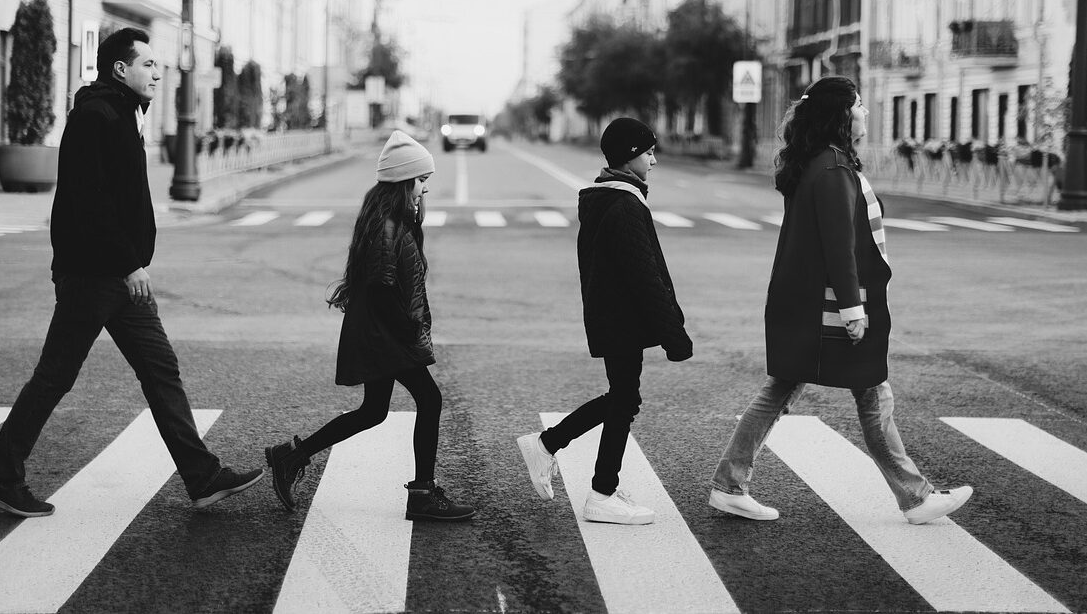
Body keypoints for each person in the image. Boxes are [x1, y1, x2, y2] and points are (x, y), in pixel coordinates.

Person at [0, 28, 262, 518]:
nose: (156, 71)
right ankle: (2, 478)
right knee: (54, 377)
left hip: (115, 276)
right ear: (120, 70)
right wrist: (129, 263)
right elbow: (91, 201)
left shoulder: (118, 113)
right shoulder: (97, 116)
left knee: (160, 369)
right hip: (95, 276)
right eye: (147, 64)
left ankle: (202, 478)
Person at [707, 75, 973, 525]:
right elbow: (839, 245)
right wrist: (854, 309)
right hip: (826, 308)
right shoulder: (832, 169)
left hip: (808, 302)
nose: (866, 113)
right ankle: (917, 498)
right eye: (859, 106)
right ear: (842, 116)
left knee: (792, 389)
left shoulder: (823, 162)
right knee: (871, 392)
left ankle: (729, 485)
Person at [264, 130, 474, 522]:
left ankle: (292, 456)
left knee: (373, 411)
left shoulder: (391, 219)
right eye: (421, 181)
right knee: (429, 400)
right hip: (386, 334)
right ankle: (423, 494)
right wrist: (408, 330)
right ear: (403, 181)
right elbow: (380, 287)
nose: (424, 190)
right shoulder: (388, 225)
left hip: (382, 332)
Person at [517, 117, 693, 525]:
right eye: (649, 152)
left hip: (614, 316)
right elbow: (645, 275)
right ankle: (588, 482)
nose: (654, 159)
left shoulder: (610, 197)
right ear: (631, 156)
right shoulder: (624, 205)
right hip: (622, 319)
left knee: (623, 398)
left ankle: (571, 464)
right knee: (624, 399)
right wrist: (674, 334)